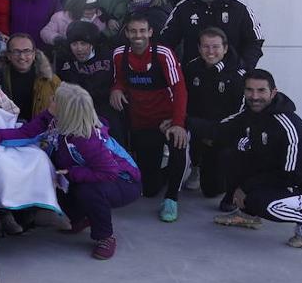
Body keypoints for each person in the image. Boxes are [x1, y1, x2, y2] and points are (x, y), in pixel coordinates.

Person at [0, 83, 141, 260]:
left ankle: (105, 236)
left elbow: (109, 172)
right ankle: (81, 217)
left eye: (55, 99)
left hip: (125, 181)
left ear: (66, 111)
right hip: (92, 172)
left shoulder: (87, 139)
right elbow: (27, 132)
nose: (51, 100)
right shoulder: (54, 120)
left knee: (88, 190)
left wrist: (73, 173)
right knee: (55, 177)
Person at [213, 69, 302, 248]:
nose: (254, 96)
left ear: (273, 92)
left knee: (261, 203)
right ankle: (248, 216)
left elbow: (292, 176)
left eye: (261, 91)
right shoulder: (251, 113)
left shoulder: (291, 128)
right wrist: (181, 123)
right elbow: (221, 129)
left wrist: (245, 187)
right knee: (230, 154)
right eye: (249, 90)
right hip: (276, 176)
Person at [110, 12, 188, 222]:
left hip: (167, 120)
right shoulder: (119, 54)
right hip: (142, 123)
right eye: (133, 31)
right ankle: (168, 174)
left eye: (143, 31)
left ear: (150, 32)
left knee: (178, 143)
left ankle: (172, 197)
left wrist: (179, 123)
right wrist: (116, 90)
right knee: (150, 189)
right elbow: (120, 80)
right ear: (126, 33)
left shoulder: (163, 53)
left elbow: (179, 89)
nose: (138, 35)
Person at [161, 0, 263, 70]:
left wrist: (244, 68)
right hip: (194, 77)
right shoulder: (184, 7)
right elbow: (166, 42)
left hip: (231, 77)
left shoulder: (238, 6)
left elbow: (255, 41)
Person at [182, 27, 245, 199]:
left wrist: (215, 134)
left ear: (225, 48)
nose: (211, 52)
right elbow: (184, 98)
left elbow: (239, 115)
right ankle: (195, 167)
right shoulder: (192, 67)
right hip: (197, 127)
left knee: (212, 191)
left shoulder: (238, 75)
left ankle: (231, 185)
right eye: (206, 46)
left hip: (223, 133)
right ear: (199, 48)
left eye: (215, 47)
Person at [55, 20, 123, 141]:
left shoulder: (107, 54)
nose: (79, 49)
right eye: (74, 44)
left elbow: (120, 76)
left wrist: (116, 88)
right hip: (79, 109)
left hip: (106, 105)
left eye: (83, 43)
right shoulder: (64, 59)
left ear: (92, 44)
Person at [0, 33, 60, 122]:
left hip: (39, 132)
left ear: (33, 54)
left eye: (27, 51)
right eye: (16, 51)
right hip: (5, 130)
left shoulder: (51, 80)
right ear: (8, 55)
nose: (22, 57)